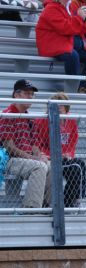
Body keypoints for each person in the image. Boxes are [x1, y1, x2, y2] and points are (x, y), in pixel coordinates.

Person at [0, 80, 51, 208]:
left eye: (32, 94)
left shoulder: (30, 117)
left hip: (26, 159)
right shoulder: (8, 115)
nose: (30, 97)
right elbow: (9, 148)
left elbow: (34, 145)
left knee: (52, 165)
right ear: (16, 95)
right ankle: (32, 209)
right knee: (39, 167)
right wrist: (33, 158)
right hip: (9, 160)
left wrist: (40, 156)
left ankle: (49, 206)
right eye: (27, 93)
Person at [32, 92, 86, 208]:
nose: (59, 111)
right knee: (75, 167)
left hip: (64, 157)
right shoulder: (41, 121)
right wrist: (54, 155)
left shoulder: (71, 120)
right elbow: (38, 144)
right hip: (50, 157)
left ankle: (70, 200)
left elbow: (72, 141)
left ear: (67, 109)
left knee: (79, 165)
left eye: (61, 108)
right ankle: (68, 202)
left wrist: (68, 154)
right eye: (56, 108)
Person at [36, 0, 86, 77]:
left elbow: (79, 30)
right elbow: (66, 28)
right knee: (73, 56)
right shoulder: (50, 8)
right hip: (52, 44)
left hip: (63, 41)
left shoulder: (66, 7)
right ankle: (72, 87)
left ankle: (82, 86)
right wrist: (79, 17)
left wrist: (83, 19)